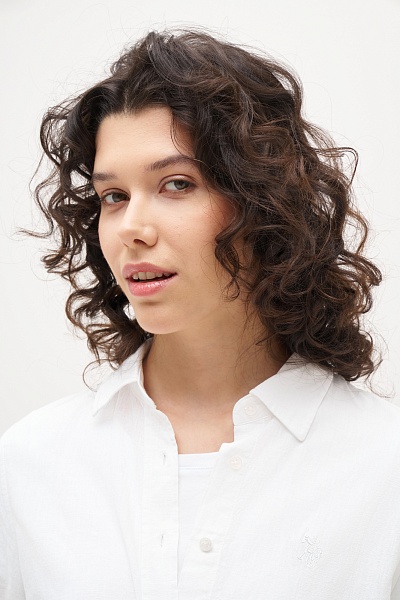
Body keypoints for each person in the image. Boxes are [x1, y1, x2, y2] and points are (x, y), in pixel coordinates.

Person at [1, 29, 399, 600]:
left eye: (176, 184)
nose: (132, 228)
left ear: (263, 203)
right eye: (113, 196)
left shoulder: (383, 464)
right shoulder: (31, 463)